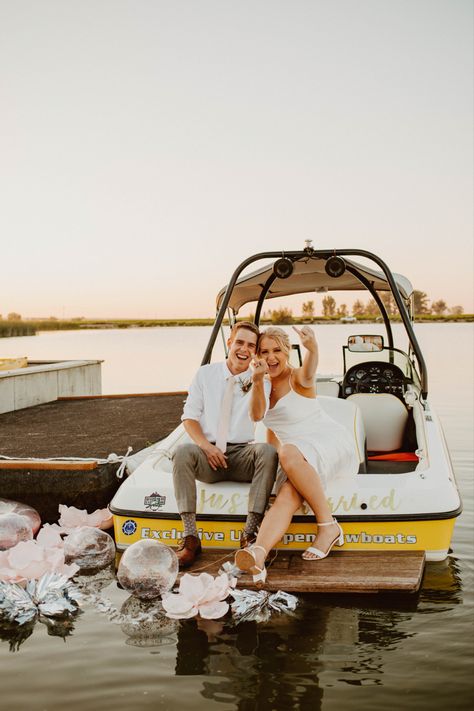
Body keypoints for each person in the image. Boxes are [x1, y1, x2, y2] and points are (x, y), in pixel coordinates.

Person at [235, 325, 359, 584]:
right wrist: (257, 380)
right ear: (257, 355)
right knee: (286, 494)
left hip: (330, 442)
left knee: (289, 451)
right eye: (264, 351)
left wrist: (312, 348)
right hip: (298, 456)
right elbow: (261, 419)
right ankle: (258, 553)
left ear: (288, 351)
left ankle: (327, 526)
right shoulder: (262, 383)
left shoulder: (298, 377)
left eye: (277, 350)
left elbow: (311, 367)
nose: (271, 357)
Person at [173, 321, 278, 568]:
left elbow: (258, 415)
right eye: (239, 342)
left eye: (251, 346)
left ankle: (249, 534)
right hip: (208, 455)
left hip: (242, 454)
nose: (244, 349)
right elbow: (189, 417)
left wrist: (257, 379)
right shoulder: (205, 374)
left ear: (255, 352)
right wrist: (206, 447)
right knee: (182, 452)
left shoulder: (261, 379)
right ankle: (190, 538)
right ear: (229, 343)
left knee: (267, 452)